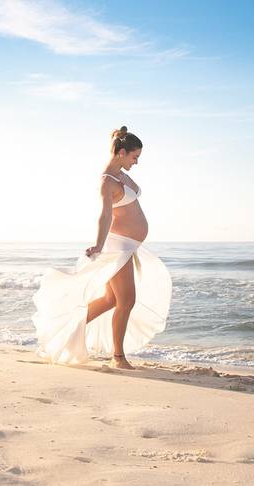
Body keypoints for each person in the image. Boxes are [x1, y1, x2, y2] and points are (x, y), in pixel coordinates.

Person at [32, 126, 172, 369]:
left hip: (128, 247)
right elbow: (105, 215)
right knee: (126, 301)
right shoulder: (107, 181)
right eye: (134, 157)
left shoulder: (120, 174)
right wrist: (98, 244)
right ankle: (118, 358)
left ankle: (67, 331)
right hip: (118, 247)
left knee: (110, 300)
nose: (136, 162)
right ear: (121, 153)